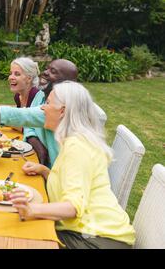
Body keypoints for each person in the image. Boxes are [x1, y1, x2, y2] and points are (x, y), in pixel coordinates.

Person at [10, 81, 135, 249]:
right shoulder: (76, 140)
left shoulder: (77, 147)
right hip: (93, 232)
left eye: (47, 103)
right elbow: (73, 182)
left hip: (97, 239)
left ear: (62, 111)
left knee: (20, 237)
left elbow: (73, 207)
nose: (43, 108)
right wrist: (46, 172)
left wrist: (32, 210)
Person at [0, 59, 78, 167]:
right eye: (47, 69)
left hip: (56, 170)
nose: (44, 73)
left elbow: (22, 117)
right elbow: (29, 124)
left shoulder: (60, 106)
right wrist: (35, 142)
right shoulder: (45, 98)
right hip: (43, 166)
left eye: (53, 71)